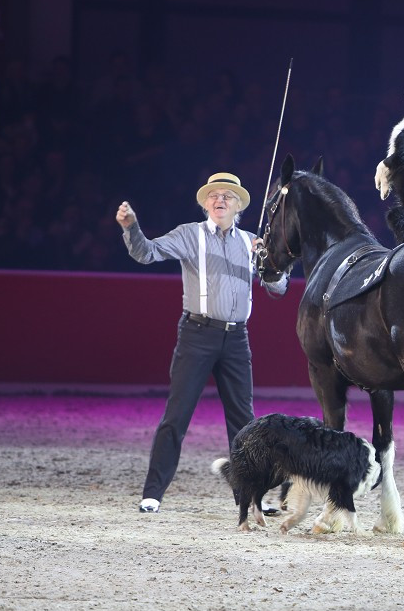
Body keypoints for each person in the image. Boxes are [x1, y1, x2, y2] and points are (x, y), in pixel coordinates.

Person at [116, 172, 287, 513]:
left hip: (237, 339)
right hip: (197, 336)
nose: (219, 199)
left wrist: (268, 263)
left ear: (237, 205)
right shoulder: (189, 235)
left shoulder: (252, 242)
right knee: (176, 416)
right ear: (205, 203)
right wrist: (131, 227)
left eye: (227, 195)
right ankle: (153, 493)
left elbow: (279, 288)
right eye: (213, 195)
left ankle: (250, 498)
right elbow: (146, 253)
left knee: (244, 422)